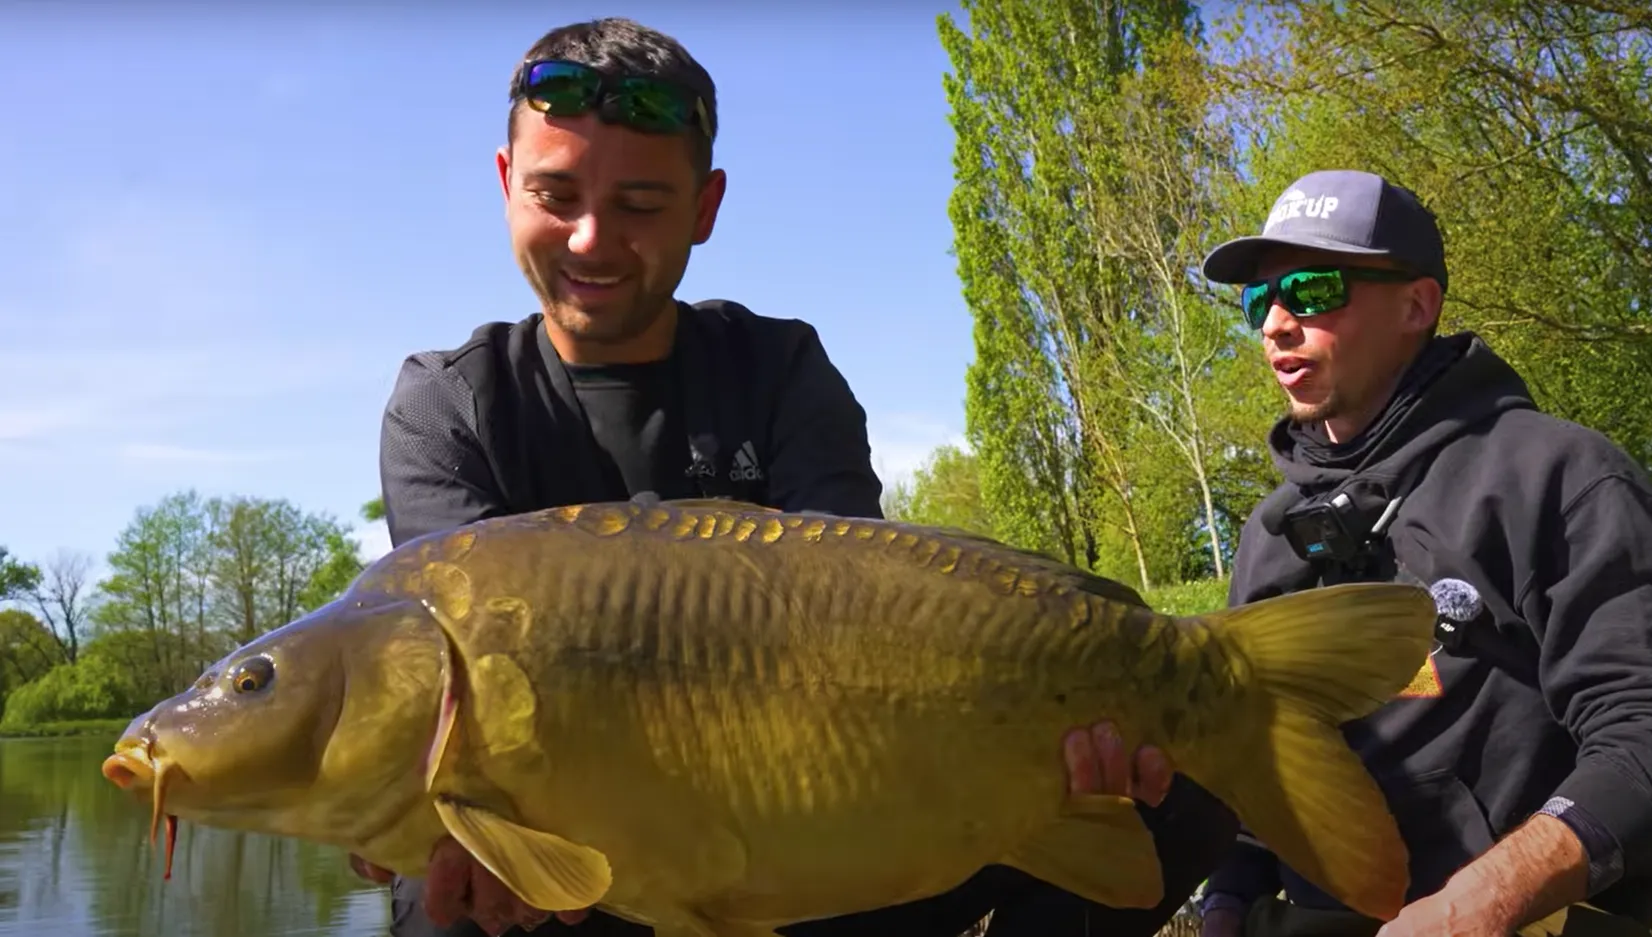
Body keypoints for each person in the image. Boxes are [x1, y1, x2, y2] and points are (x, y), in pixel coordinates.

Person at [355, 16, 1234, 937]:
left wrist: (1051, 749)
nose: (590, 239)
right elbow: (450, 695)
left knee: (1186, 794)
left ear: (705, 206)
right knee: (445, 896)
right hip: (576, 842)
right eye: (555, 194)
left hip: (802, 810)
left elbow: (871, 620)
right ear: (505, 184)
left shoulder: (780, 369)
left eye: (642, 205)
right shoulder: (448, 404)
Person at [1187, 169, 1652, 937]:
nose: (1276, 323)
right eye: (1260, 300)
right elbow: (1259, 763)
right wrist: (1225, 900)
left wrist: (1479, 905)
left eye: (1311, 291)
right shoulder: (1268, 532)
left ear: (1417, 304)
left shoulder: (1559, 475)